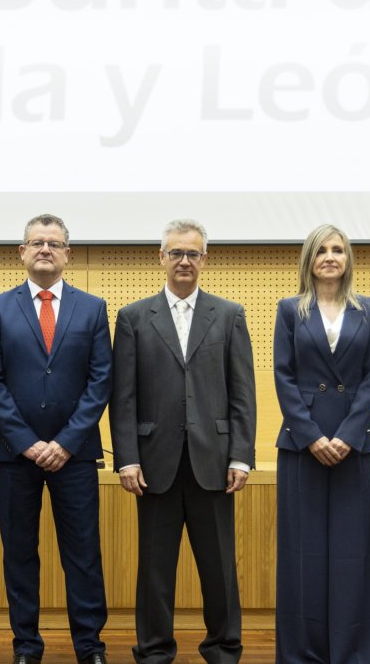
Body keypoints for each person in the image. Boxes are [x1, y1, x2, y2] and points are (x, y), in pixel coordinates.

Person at [110, 218, 256, 664]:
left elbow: (242, 392)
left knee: (219, 569)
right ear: (161, 258)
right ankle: (154, 650)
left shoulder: (229, 314)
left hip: (215, 461)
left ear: (204, 260)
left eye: (193, 253)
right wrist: (126, 459)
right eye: (176, 252)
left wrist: (242, 456)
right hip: (154, 465)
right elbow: (124, 396)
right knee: (155, 569)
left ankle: (223, 648)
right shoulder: (134, 317)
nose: (184, 260)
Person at [0, 214, 111, 664]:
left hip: (74, 456)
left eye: (54, 243)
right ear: (22, 252)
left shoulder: (92, 308)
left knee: (84, 555)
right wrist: (29, 442)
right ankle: (26, 646)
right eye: (36, 242)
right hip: (15, 455)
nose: (45, 249)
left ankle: (89, 647)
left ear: (67, 253)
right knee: (19, 554)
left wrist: (67, 442)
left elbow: (100, 381)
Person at [272, 224, 370, 664]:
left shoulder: (369, 309)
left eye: (338, 249)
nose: (331, 257)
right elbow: (283, 376)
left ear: (348, 258)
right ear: (309, 259)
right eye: (322, 250)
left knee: (352, 555)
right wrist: (313, 436)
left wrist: (348, 436)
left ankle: (352, 652)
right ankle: (302, 653)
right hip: (302, 446)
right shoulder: (289, 310)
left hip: (353, 447)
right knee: (303, 555)